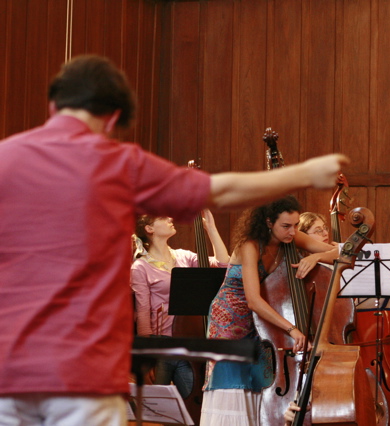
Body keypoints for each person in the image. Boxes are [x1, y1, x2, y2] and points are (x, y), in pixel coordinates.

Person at [0, 54, 348, 425]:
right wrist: (306, 173)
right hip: (84, 374)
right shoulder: (118, 162)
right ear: (115, 116)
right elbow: (222, 191)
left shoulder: (6, 158)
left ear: (53, 105)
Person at [200, 195, 338, 425]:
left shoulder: (290, 236)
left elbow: (342, 253)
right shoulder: (250, 244)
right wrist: (293, 330)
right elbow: (253, 300)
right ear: (268, 222)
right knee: (233, 381)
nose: (293, 232)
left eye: (295, 225)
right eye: (286, 226)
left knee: (259, 380)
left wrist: (317, 257)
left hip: (263, 319)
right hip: (231, 318)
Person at [130, 211, 230, 398]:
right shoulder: (140, 267)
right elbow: (143, 312)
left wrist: (212, 230)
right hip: (161, 345)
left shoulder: (184, 257)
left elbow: (224, 265)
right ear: (149, 229)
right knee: (157, 405)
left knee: (191, 400)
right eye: (162, 217)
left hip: (188, 343)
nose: (170, 218)